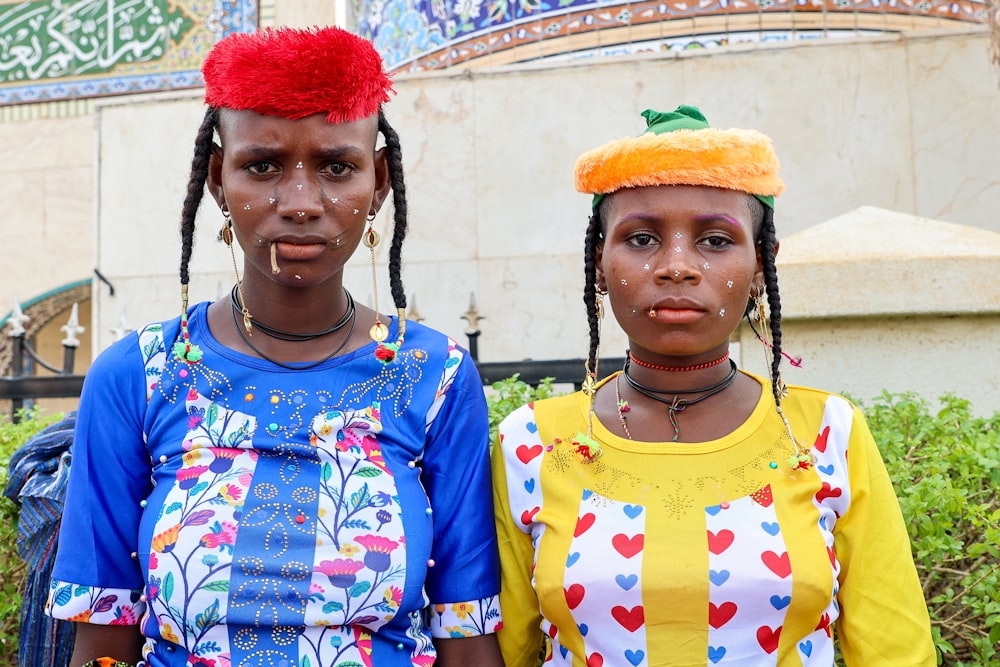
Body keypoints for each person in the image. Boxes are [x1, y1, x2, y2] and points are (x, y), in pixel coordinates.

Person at [46, 26, 503, 667]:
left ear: (379, 182)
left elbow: (467, 629)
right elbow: (102, 631)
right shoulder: (139, 375)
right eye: (261, 166)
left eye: (336, 168)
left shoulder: (435, 375)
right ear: (216, 179)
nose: (298, 203)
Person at [492, 105, 935, 666]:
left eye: (716, 241)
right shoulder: (532, 442)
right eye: (643, 238)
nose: (677, 266)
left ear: (759, 266)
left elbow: (897, 651)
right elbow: (502, 650)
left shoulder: (825, 434)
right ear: (599, 263)